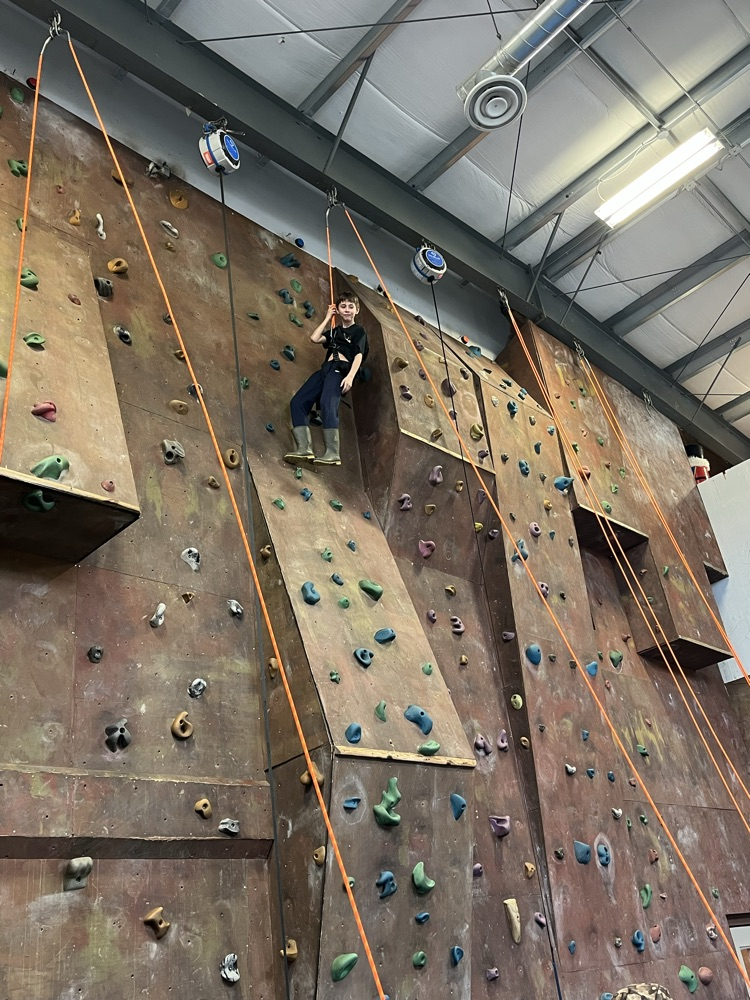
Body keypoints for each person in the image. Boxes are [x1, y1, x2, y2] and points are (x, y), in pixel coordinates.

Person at [284, 292, 367, 466]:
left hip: (339, 370)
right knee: (297, 402)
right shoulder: (335, 331)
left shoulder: (358, 331)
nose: (347, 310)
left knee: (328, 403)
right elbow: (314, 338)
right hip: (325, 370)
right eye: (343, 306)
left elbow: (358, 355)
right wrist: (328, 317)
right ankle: (304, 448)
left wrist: (350, 377)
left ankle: (332, 452)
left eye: (351, 307)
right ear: (338, 309)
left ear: (357, 310)